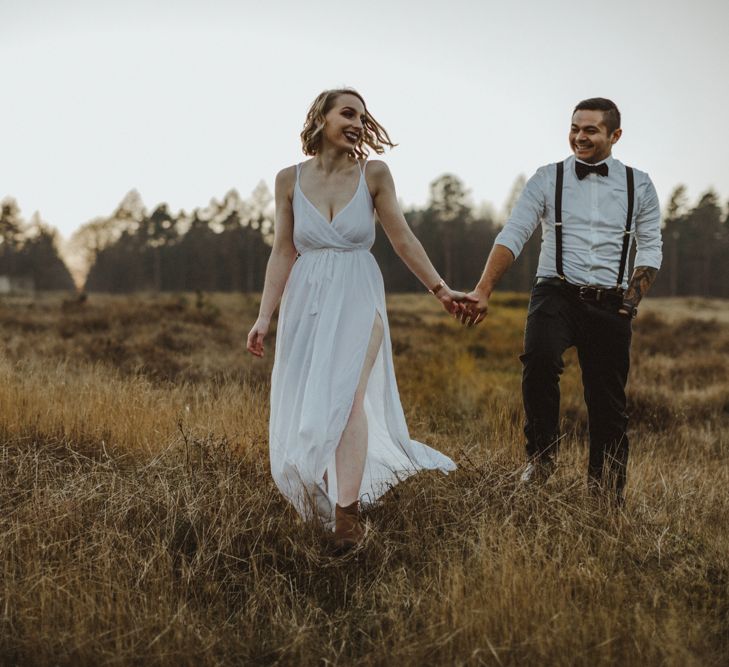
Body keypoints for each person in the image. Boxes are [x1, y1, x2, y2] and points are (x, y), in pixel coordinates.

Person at [247, 88, 467, 549]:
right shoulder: (288, 179)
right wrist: (264, 317)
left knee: (349, 397)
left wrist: (440, 289)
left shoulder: (374, 174)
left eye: (363, 118)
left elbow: (402, 237)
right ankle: (320, 493)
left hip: (358, 296)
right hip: (305, 302)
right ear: (320, 118)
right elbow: (283, 250)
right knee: (312, 404)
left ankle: (348, 514)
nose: (357, 123)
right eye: (348, 113)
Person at [462, 98, 662, 504]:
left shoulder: (638, 183)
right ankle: (541, 458)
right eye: (575, 127)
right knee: (538, 361)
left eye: (590, 129)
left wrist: (630, 303)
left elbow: (651, 247)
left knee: (607, 402)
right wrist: (483, 289)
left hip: (611, 302)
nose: (579, 136)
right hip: (555, 290)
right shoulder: (546, 178)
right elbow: (514, 232)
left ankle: (605, 493)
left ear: (615, 135)